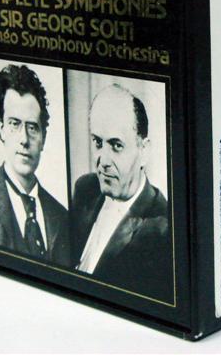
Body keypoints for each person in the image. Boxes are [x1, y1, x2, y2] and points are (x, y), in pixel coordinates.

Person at [71, 84, 172, 301]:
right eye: (98, 142)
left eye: (116, 145)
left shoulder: (163, 230)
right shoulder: (85, 189)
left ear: (144, 151)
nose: (103, 161)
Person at [0, 64, 70, 266]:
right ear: (1, 127)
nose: (24, 139)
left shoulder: (61, 216)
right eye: (14, 124)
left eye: (32, 127)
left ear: (43, 138)